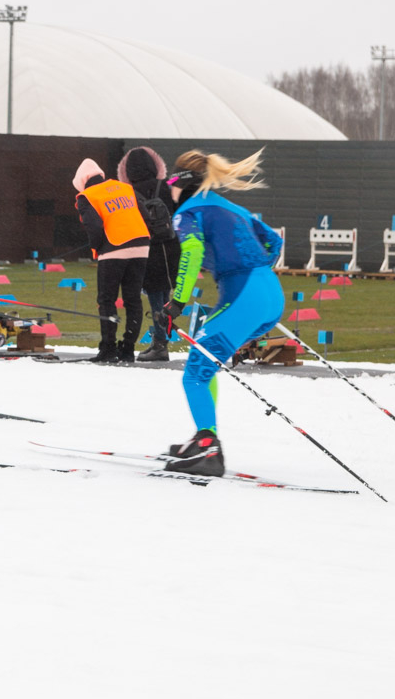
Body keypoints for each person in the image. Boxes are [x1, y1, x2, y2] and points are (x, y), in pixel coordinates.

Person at [161, 148, 284, 476]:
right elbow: (274, 243)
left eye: (171, 182)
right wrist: (252, 276)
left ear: (183, 182)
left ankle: (208, 448)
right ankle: (205, 436)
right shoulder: (234, 208)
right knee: (205, 366)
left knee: (194, 374)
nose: (169, 190)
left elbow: (192, 251)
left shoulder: (188, 212)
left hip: (244, 296)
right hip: (269, 294)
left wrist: (176, 303)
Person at [72, 158, 150, 363]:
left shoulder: (87, 196)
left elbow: (93, 227)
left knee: (107, 300)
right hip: (141, 246)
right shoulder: (125, 188)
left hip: (113, 249)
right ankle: (128, 349)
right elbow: (146, 215)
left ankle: (108, 348)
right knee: (133, 299)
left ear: (82, 181)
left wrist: (98, 248)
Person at [118, 145, 181, 362]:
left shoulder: (128, 192)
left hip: (148, 248)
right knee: (164, 296)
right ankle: (162, 339)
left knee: (155, 297)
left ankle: (160, 344)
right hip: (171, 246)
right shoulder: (167, 185)